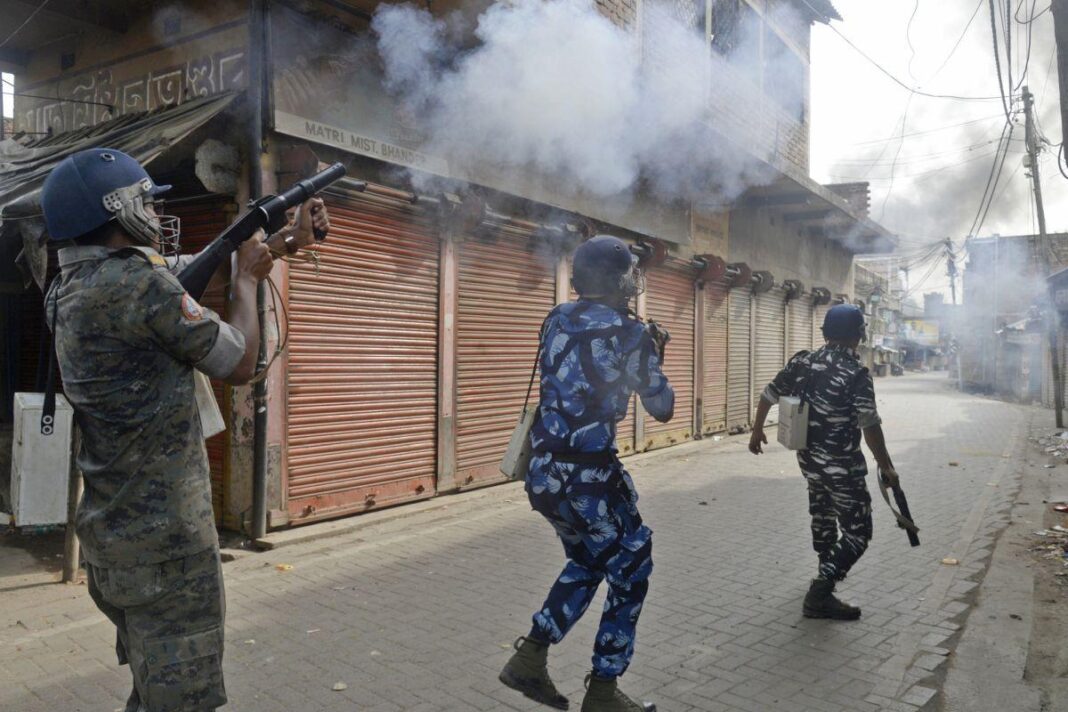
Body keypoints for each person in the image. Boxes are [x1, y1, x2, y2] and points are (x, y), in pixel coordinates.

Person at [40, 147, 329, 711]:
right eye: (144, 200)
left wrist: (279, 244)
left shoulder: (71, 288)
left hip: (117, 540)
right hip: (167, 548)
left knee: (155, 692)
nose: (152, 209)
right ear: (116, 209)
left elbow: (187, 274)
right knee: (182, 702)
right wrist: (246, 280)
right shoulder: (140, 288)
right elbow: (240, 362)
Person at [499, 235, 674, 712]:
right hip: (589, 480)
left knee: (589, 561)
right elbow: (662, 407)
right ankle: (603, 691)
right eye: (630, 272)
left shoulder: (555, 317)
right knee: (633, 562)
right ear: (620, 280)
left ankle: (531, 658)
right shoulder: (631, 334)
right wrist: (652, 354)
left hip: (544, 474)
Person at [748, 303, 898, 620]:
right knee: (858, 533)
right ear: (859, 336)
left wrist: (757, 430)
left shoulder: (803, 361)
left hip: (809, 462)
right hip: (842, 468)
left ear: (826, 333)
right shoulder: (856, 374)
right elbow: (869, 425)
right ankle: (821, 591)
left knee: (823, 518)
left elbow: (768, 394)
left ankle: (824, 573)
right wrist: (885, 466)